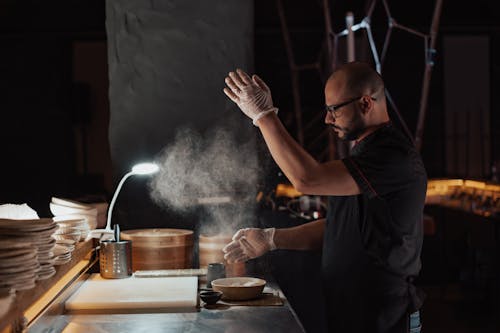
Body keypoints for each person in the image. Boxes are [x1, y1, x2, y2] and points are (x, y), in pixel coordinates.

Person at [222, 62, 427, 333]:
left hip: (385, 316)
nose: (328, 120)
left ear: (365, 103)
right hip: (351, 311)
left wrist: (264, 116)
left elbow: (307, 179)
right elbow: (339, 228)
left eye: (334, 110)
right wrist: (271, 239)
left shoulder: (393, 157)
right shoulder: (362, 157)